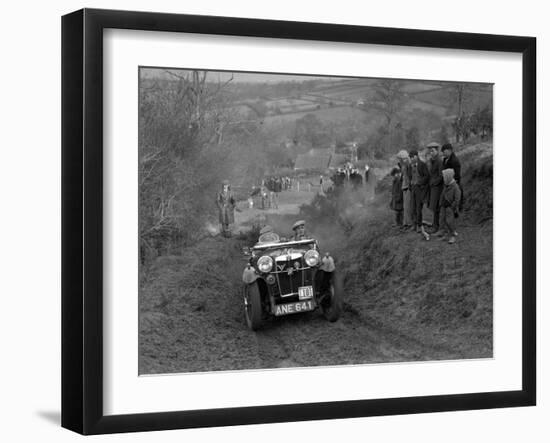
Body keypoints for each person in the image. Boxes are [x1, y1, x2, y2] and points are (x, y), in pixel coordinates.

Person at [409, 149, 430, 234]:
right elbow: (410, 176)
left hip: (420, 189)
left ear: (416, 156)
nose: (411, 159)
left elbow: (427, 176)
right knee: (412, 207)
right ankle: (414, 224)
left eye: (412, 157)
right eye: (410, 157)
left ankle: (419, 225)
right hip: (413, 188)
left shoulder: (422, 165)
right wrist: (411, 183)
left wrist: (419, 182)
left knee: (418, 208)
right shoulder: (411, 165)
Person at [439, 168, 462, 244]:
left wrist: (453, 206)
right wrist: (441, 203)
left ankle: (452, 236)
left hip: (450, 207)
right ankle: (446, 234)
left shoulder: (455, 187)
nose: (444, 179)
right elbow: (442, 195)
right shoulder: (446, 185)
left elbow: (457, 198)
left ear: (448, 177)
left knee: (450, 222)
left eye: (445, 177)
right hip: (444, 205)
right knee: (443, 220)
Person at [427, 142, 443, 234]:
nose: (431, 153)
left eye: (432, 151)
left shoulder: (439, 161)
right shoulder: (432, 161)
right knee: (434, 207)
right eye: (430, 151)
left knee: (436, 207)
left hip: (437, 187)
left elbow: (441, 176)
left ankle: (436, 227)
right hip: (433, 187)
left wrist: (434, 182)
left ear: (437, 151)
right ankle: (435, 225)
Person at [441, 143, 463, 212]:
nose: (443, 154)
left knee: (454, 201)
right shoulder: (445, 159)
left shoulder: (455, 161)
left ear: (450, 150)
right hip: (447, 183)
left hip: (452, 184)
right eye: (443, 152)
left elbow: (457, 175)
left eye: (444, 152)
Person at [397, 150, 413, 230]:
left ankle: (409, 223)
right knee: (405, 206)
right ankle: (406, 223)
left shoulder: (408, 165)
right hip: (404, 186)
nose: (400, 160)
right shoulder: (403, 165)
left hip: (408, 187)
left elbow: (410, 176)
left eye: (401, 158)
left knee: (408, 206)